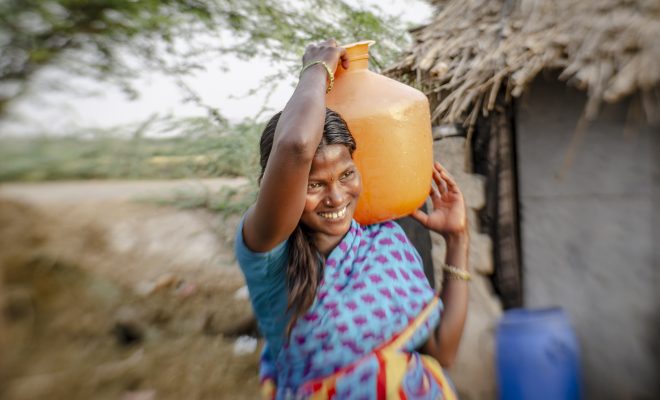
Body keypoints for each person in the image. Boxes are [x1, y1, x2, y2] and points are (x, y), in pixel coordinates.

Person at [235, 39, 470, 399]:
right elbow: (296, 145)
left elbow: (443, 352)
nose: (336, 197)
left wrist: (457, 241)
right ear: (283, 184)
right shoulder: (268, 251)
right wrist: (316, 68)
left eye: (346, 174)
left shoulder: (383, 241)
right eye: (314, 184)